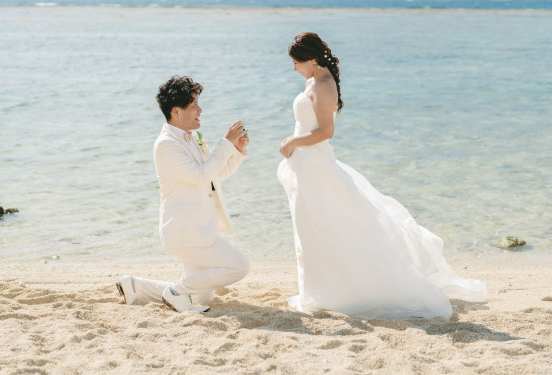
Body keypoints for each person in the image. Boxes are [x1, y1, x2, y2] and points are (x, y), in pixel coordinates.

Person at [277, 33, 487, 319]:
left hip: (316, 165)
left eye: (296, 63)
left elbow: (326, 131)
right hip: (306, 165)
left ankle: (343, 291)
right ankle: (319, 291)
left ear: (311, 59)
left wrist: (293, 141)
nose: (294, 69)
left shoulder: (324, 86)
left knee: (328, 227)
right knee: (311, 230)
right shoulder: (312, 81)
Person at [117, 76, 250, 313]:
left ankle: (135, 286)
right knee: (239, 266)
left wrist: (237, 152)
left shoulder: (192, 138)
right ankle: (175, 292)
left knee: (202, 296)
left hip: (198, 229)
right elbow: (200, 176)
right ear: (176, 111)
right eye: (194, 105)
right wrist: (225, 144)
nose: (200, 110)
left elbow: (214, 175)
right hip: (185, 231)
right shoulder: (166, 144)